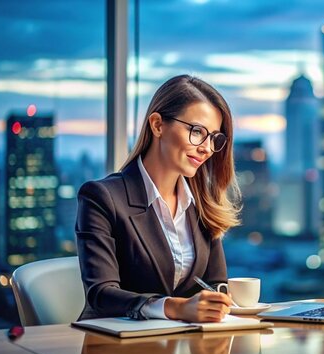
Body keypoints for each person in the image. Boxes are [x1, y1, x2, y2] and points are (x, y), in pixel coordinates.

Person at [75, 75, 240, 322]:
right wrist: (175, 308)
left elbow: (215, 284)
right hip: (113, 344)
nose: (206, 148)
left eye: (214, 138)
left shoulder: (201, 204)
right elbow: (101, 294)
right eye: (197, 132)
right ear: (158, 125)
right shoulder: (102, 198)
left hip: (185, 347)